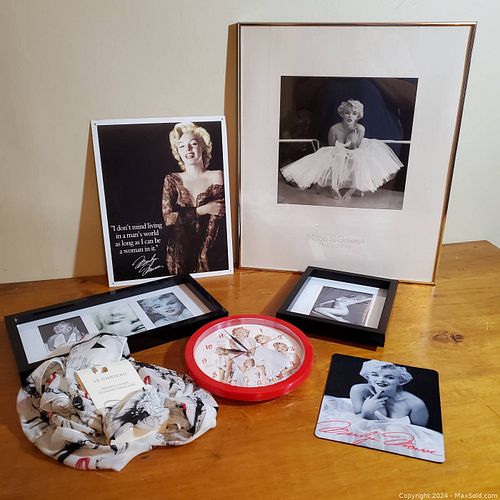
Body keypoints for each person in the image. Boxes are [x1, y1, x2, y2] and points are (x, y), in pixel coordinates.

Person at [280, 99, 403, 200]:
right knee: (339, 155)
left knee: (357, 159)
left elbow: (355, 148)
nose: (350, 116)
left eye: (354, 113)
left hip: (355, 150)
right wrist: (342, 151)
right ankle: (334, 187)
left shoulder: (360, 129)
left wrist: (353, 140)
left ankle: (352, 189)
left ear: (358, 117)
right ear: (342, 114)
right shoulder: (334, 129)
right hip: (337, 151)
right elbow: (331, 148)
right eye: (347, 113)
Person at [162, 122, 227, 274]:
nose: (188, 149)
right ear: (177, 151)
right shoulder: (172, 180)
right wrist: (203, 209)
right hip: (178, 256)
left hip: (211, 255)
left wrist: (204, 256)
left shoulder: (217, 176)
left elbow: (219, 214)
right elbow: (168, 219)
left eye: (193, 143)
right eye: (182, 146)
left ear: (203, 146)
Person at [350, 360, 429, 426]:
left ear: (400, 380)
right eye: (375, 375)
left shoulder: (415, 404)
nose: (381, 380)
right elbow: (359, 424)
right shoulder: (359, 391)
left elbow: (419, 432)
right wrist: (367, 412)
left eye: (389, 377)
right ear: (368, 377)